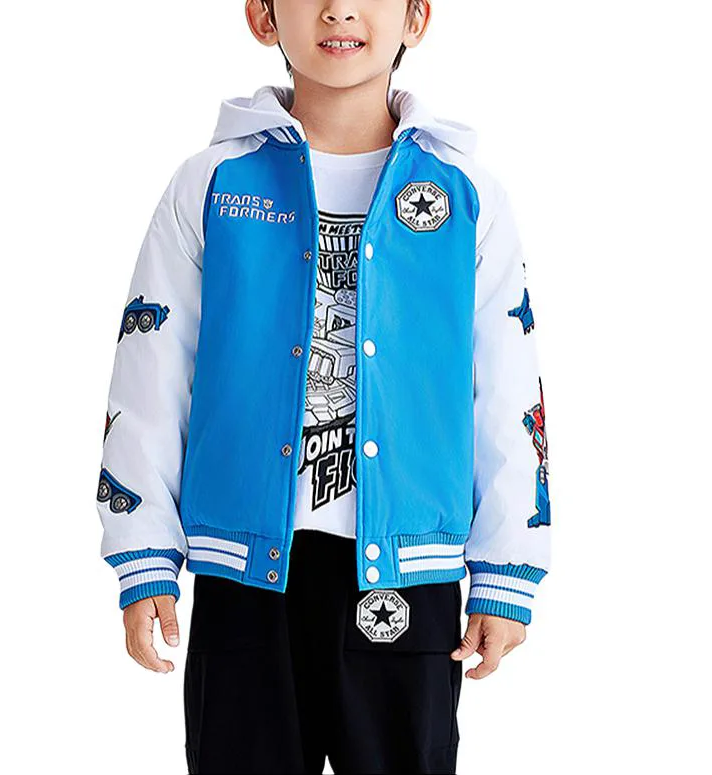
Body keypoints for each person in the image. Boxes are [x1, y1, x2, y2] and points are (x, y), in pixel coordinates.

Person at [96, 1, 552, 772]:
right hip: (243, 568)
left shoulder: (464, 192)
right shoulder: (212, 182)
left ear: (415, 17)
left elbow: (507, 385)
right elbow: (150, 371)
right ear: (262, 16)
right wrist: (141, 551)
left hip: (410, 569)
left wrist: (507, 568)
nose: (339, 7)